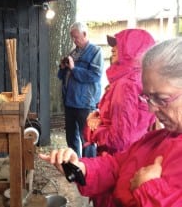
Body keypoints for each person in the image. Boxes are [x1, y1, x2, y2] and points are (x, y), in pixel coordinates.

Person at [40, 38, 182, 207]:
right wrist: (80, 168)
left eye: (161, 98)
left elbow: (120, 136)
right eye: (148, 98)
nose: (152, 110)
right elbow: (117, 165)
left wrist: (148, 189)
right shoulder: (159, 138)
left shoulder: (125, 86)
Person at [85, 29, 156, 159]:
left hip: (117, 160)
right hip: (136, 155)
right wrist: (101, 117)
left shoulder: (126, 85)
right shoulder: (142, 80)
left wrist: (92, 128)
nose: (113, 48)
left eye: (121, 44)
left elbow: (118, 140)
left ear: (134, 50)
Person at [58, 22, 104, 158]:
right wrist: (62, 67)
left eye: (76, 37)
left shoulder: (96, 51)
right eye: (72, 37)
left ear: (84, 34)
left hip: (86, 103)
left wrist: (73, 68)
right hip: (70, 101)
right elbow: (62, 76)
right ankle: (74, 163)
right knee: (71, 136)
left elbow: (95, 76)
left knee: (87, 137)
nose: (74, 40)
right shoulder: (73, 53)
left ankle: (89, 168)